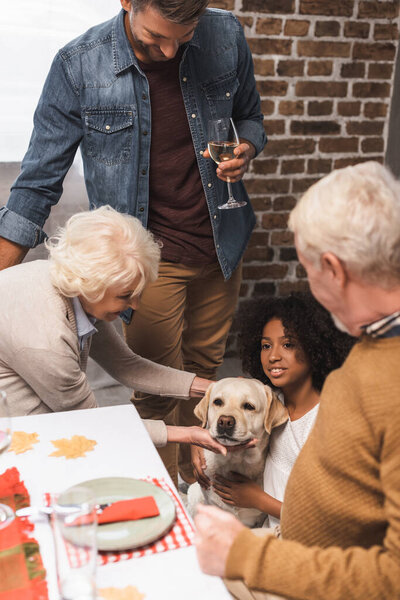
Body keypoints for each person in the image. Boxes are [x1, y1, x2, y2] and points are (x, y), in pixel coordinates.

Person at [0, 0, 266, 485]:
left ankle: (197, 491)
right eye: (152, 39)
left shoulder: (225, 35)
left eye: (182, 38)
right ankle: (161, 493)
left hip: (219, 243)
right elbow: (37, 182)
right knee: (158, 398)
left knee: (204, 373)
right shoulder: (79, 63)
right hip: (145, 254)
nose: (167, 52)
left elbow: (250, 117)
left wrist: (247, 146)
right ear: (128, 1)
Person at [194, 161, 400, 600]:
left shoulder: (389, 383)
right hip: (289, 554)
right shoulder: (371, 352)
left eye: (308, 270)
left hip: (299, 575)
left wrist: (247, 557)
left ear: (333, 269)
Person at [0, 204, 234, 459]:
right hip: (15, 434)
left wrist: (213, 387)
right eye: (126, 296)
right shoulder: (47, 339)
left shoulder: (73, 286)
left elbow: (126, 365)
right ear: (89, 284)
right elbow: (94, 423)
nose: (135, 305)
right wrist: (187, 434)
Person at [211, 293, 354, 527]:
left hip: (309, 544)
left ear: (315, 347)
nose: (273, 356)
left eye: (288, 344)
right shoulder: (268, 402)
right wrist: (200, 444)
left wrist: (258, 500)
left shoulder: (327, 423)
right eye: (266, 345)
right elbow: (224, 408)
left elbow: (332, 522)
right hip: (269, 528)